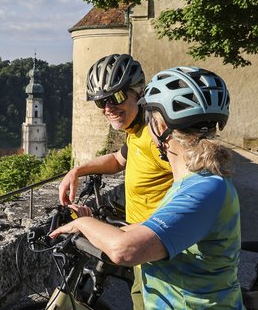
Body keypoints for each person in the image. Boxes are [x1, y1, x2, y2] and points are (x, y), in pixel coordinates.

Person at [51, 66, 242, 309]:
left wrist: (81, 223)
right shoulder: (197, 182)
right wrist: (98, 226)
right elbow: (157, 225)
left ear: (160, 128)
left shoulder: (204, 189)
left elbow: (125, 251)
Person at [58, 53, 173, 308]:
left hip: (161, 252)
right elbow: (118, 160)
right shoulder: (138, 130)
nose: (108, 108)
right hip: (145, 244)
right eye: (101, 102)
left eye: (116, 97)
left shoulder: (157, 138)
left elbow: (190, 191)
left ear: (137, 93)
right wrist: (77, 171)